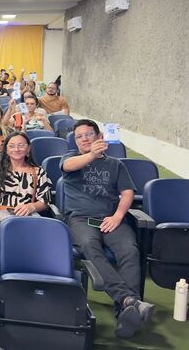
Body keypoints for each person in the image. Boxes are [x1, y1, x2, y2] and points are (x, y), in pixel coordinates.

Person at [61, 119, 153, 339]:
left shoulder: (115, 164)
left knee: (129, 251)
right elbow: (68, 167)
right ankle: (128, 300)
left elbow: (128, 193)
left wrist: (118, 216)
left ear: (99, 136)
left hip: (111, 219)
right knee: (90, 247)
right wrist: (91, 155)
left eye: (88, 134)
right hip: (82, 220)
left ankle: (125, 311)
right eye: (79, 136)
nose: (84, 139)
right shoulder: (70, 158)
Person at [0, 132, 52, 262]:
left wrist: (31, 206)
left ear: (28, 149)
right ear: (6, 150)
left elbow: (45, 201)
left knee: (26, 241)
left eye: (21, 145)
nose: (16, 149)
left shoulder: (38, 171)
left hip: (25, 213)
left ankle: (20, 272)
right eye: (12, 146)